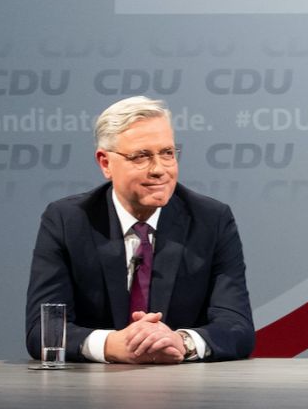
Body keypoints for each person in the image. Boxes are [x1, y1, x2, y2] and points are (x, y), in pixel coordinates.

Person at [24, 96, 253, 363]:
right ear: (105, 163)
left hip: (187, 391)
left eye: (167, 153)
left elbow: (237, 327)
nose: (159, 170)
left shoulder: (211, 220)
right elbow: (42, 330)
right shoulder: (67, 221)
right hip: (90, 393)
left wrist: (182, 341)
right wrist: (112, 344)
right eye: (141, 156)